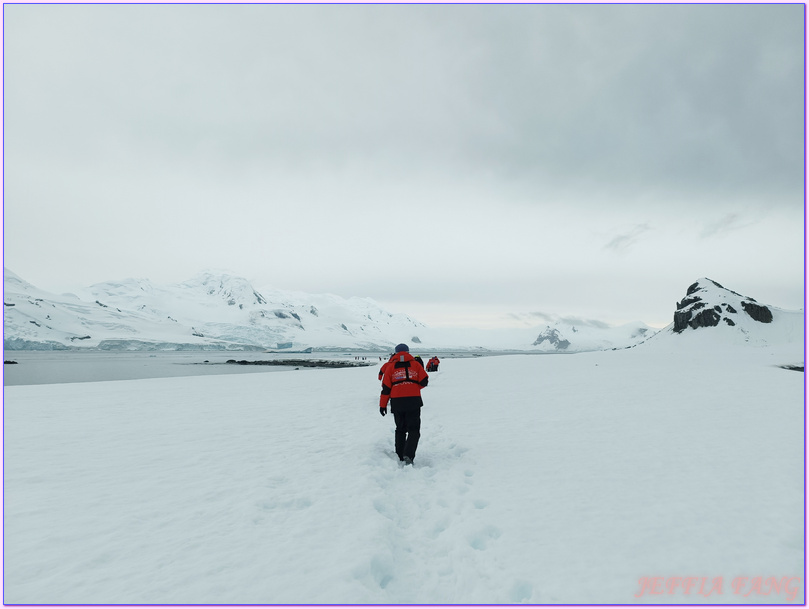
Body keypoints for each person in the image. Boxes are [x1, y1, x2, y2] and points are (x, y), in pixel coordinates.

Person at [379, 343, 429, 465]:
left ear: (396, 352)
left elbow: (385, 388)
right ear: (408, 351)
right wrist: (412, 387)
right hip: (414, 400)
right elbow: (424, 381)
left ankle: (400, 454)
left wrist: (383, 405)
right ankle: (409, 455)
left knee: (400, 429)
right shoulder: (416, 364)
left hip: (397, 401)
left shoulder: (390, 367)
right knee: (414, 429)